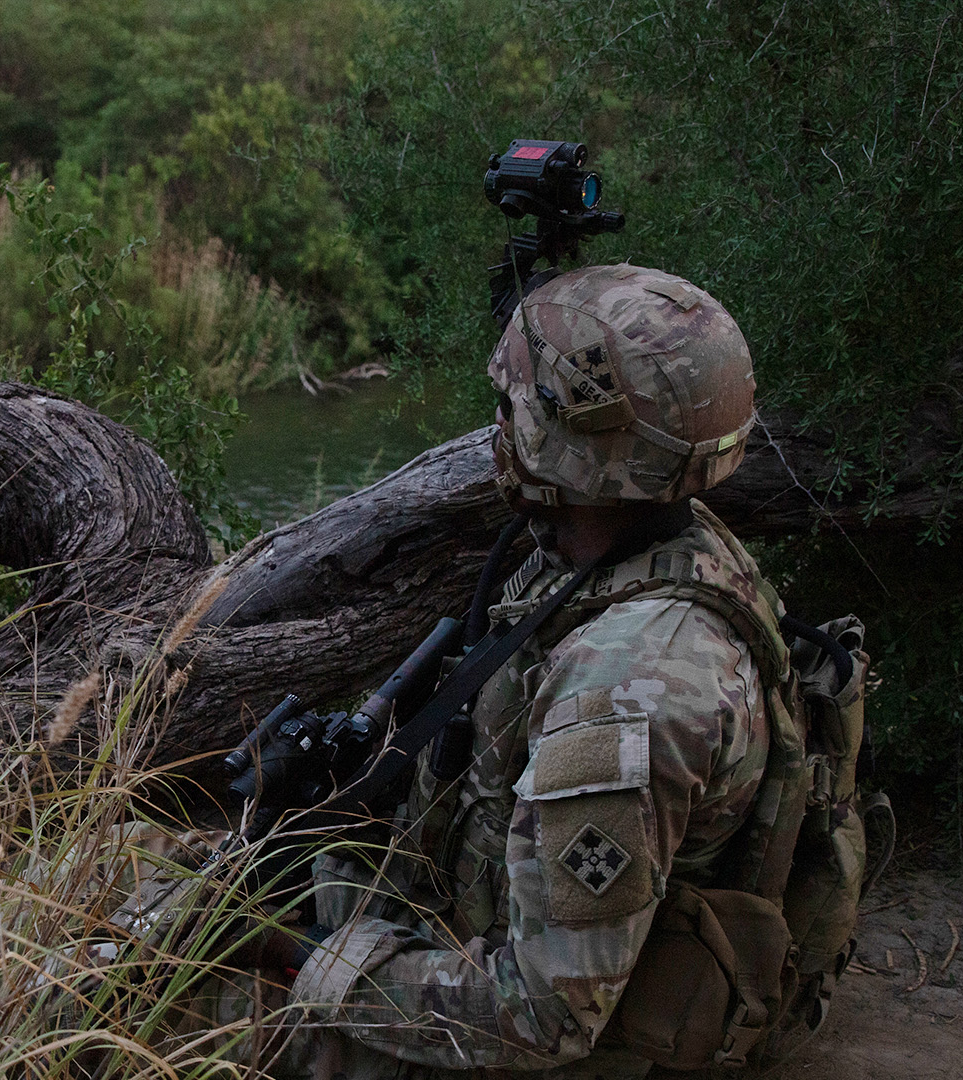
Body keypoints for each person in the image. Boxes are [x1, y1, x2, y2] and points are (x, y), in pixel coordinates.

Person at [196, 263, 789, 1078]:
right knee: (155, 874)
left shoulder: (621, 697)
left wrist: (293, 953)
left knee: (180, 1018)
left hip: (540, 1041)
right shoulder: (654, 544)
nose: (497, 429)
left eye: (511, 408)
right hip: (488, 928)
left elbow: (538, 1018)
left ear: (570, 447)